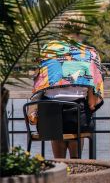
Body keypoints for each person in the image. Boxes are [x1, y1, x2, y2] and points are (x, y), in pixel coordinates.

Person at [28, 30, 104, 158]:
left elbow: (38, 87)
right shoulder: (90, 54)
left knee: (55, 122)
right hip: (76, 119)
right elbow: (92, 103)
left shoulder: (47, 51)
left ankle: (59, 165)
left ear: (61, 29)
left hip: (49, 120)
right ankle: (75, 164)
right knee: (79, 119)